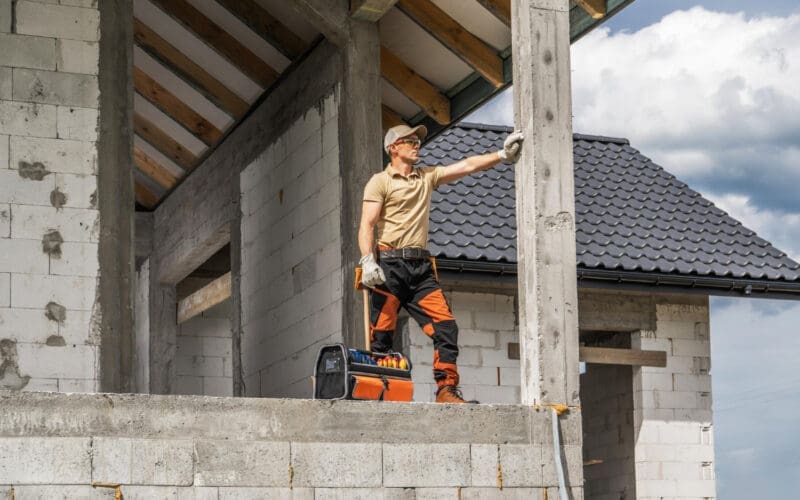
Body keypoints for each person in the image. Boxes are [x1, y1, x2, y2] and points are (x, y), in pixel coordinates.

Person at [358, 124, 523, 403]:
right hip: (389, 267)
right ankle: (379, 394)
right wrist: (367, 260)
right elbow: (367, 224)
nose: (417, 144)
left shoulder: (427, 177)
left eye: (418, 140)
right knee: (382, 336)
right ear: (393, 148)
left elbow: (467, 165)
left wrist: (501, 155)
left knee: (446, 327)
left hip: (421, 269)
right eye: (410, 140)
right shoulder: (380, 181)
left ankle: (446, 390)